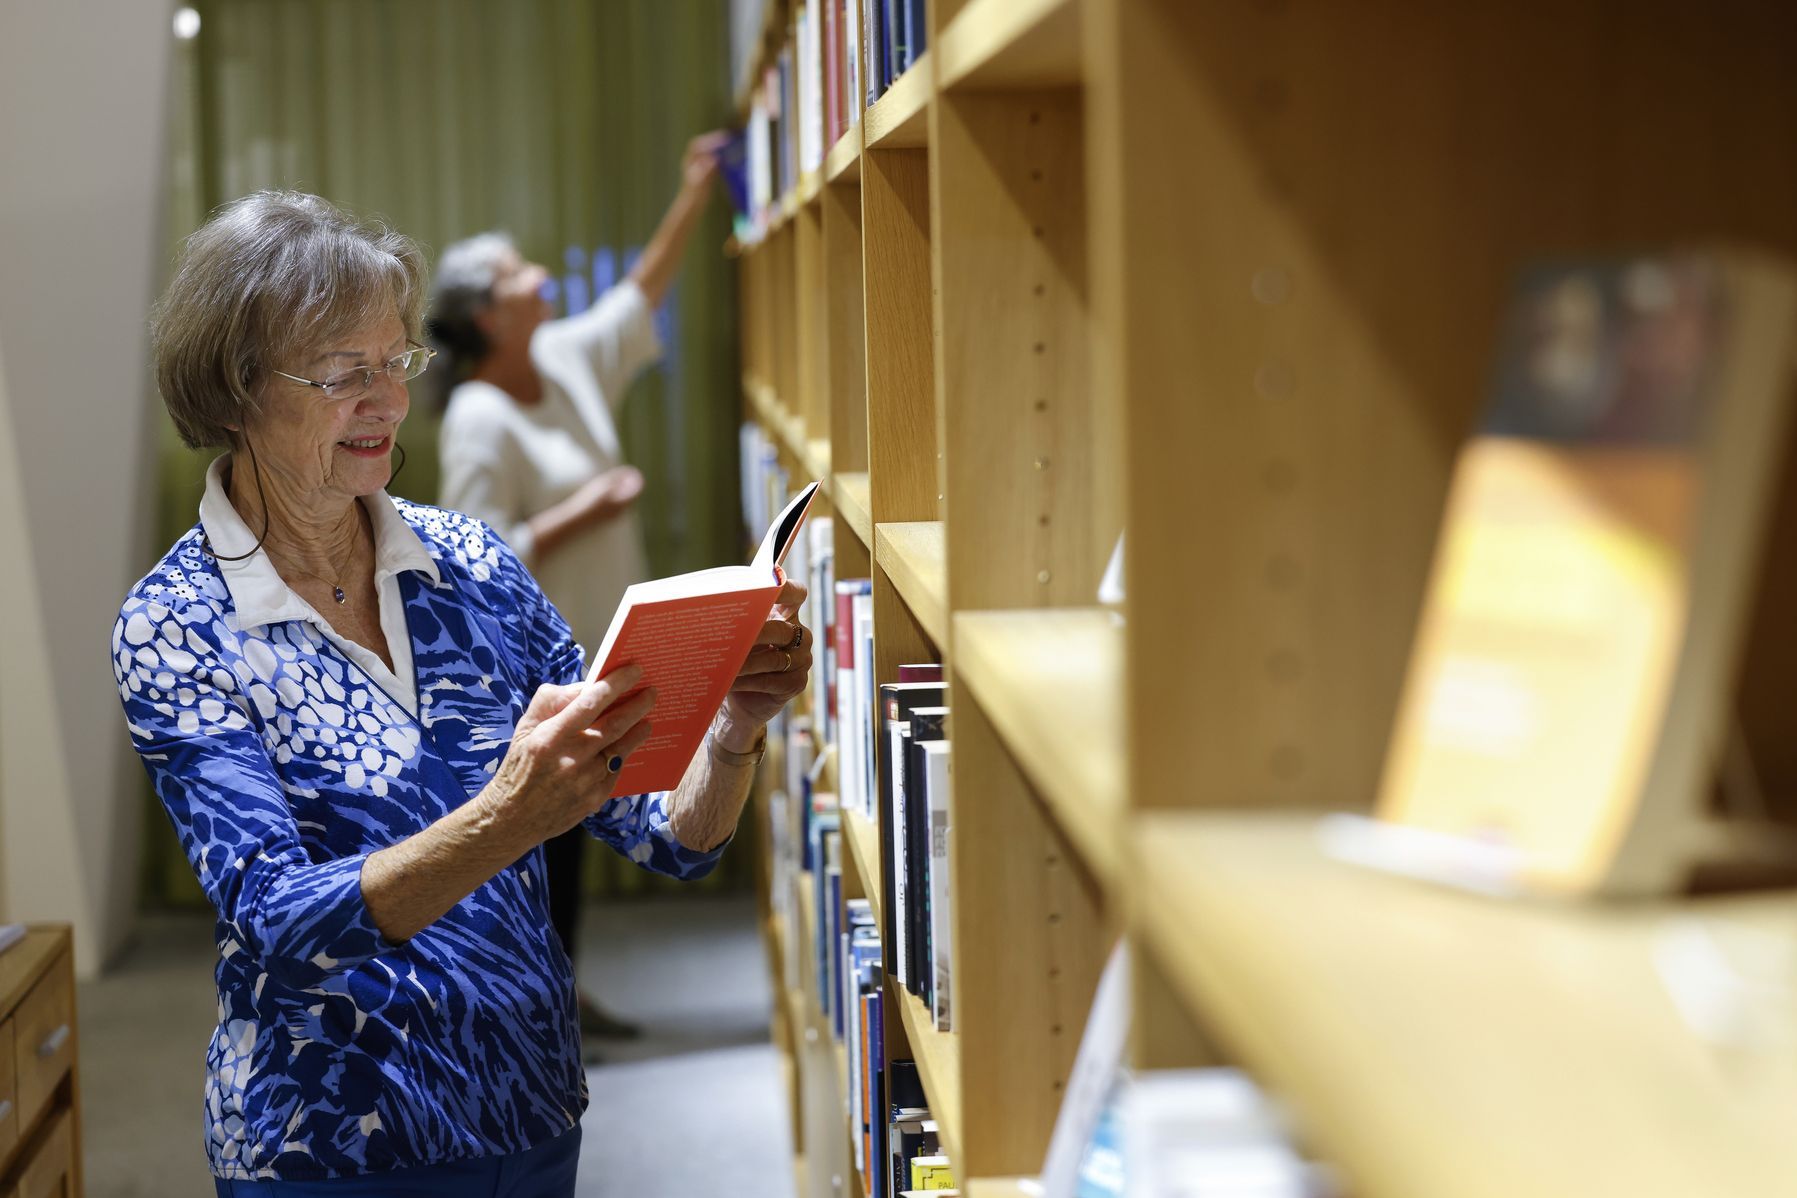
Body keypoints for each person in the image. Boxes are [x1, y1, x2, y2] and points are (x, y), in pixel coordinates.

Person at [113, 190, 811, 1195]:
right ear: (234, 390)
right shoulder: (175, 623)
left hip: (530, 1113)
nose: (388, 403)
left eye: (395, 362)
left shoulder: (474, 565)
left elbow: (669, 836)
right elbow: (279, 923)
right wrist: (511, 814)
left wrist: (735, 728)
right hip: (334, 1145)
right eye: (344, 374)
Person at [427, 131, 727, 1043]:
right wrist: (585, 510)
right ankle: (539, 1008)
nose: (542, 278)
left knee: (571, 842)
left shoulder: (560, 357)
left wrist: (695, 192)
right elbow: (474, 556)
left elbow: (638, 297)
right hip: (532, 678)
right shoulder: (478, 417)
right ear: (488, 316)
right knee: (544, 844)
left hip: (600, 653)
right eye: (519, 274)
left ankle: (557, 992)